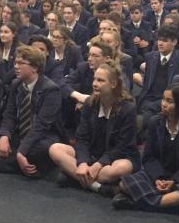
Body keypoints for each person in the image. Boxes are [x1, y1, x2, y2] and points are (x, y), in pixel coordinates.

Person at [0, 45, 63, 175]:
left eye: (21, 63)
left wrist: (21, 152)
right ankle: (5, 161)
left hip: (41, 137)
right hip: (18, 134)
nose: (16, 66)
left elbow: (41, 126)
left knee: (39, 152)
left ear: (35, 68)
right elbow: (9, 115)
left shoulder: (51, 90)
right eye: (15, 62)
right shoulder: (16, 84)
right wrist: (4, 136)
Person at [112, 84, 179, 213]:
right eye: (163, 99)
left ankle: (138, 203)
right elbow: (148, 157)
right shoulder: (155, 122)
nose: (164, 104)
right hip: (158, 174)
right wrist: (158, 178)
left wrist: (173, 181)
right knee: (124, 183)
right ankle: (168, 205)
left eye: (170, 101)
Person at [49, 62, 139, 196]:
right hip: (92, 154)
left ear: (113, 84)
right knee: (55, 149)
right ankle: (98, 187)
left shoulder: (127, 108)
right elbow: (82, 138)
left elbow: (122, 146)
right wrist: (83, 162)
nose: (95, 84)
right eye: (94, 79)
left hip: (117, 157)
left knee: (118, 169)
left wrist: (99, 165)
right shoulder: (89, 103)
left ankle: (74, 177)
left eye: (101, 80)